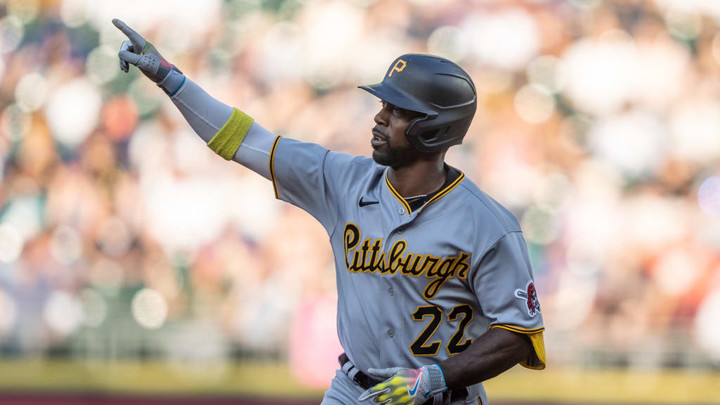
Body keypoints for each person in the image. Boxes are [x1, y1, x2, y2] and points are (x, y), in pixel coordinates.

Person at [112, 18, 545, 405]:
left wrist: (434, 378)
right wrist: (170, 79)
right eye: (383, 106)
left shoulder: (488, 225)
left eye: (396, 111)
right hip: (353, 391)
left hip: (445, 398)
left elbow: (518, 334)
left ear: (433, 128)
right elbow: (245, 141)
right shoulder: (342, 180)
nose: (379, 118)